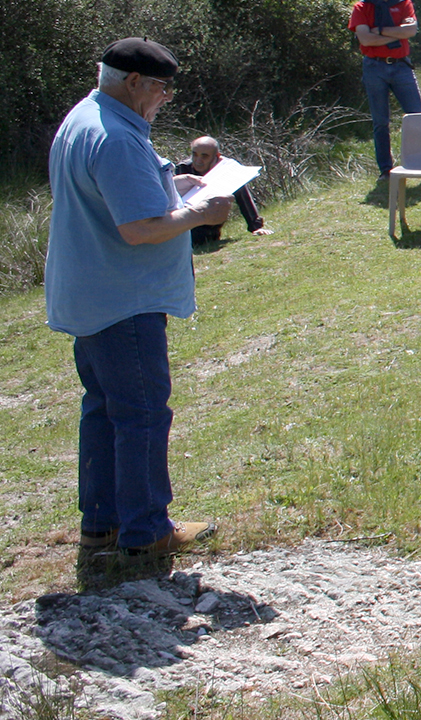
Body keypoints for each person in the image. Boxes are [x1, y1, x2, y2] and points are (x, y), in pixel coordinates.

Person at [48, 39, 230, 575]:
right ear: (133, 82)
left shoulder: (85, 117)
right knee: (143, 415)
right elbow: (138, 228)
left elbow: (116, 196)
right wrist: (200, 212)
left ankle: (101, 527)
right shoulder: (117, 136)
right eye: (160, 88)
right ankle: (147, 534)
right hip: (121, 299)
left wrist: (173, 185)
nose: (164, 98)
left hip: (91, 292)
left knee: (105, 411)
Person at [347, 0, 421, 177]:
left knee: (417, 115)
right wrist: (395, 33)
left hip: (401, 66)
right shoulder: (361, 7)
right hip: (374, 67)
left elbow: (411, 30)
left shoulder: (404, 2)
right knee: (380, 121)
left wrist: (379, 31)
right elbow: (364, 38)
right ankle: (385, 171)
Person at [176, 137, 269, 246]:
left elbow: (243, 197)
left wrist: (256, 227)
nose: (198, 160)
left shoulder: (227, 169)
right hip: (187, 227)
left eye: (204, 156)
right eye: (194, 155)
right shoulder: (183, 169)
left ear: (217, 156)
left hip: (211, 226)